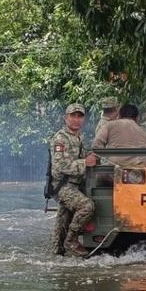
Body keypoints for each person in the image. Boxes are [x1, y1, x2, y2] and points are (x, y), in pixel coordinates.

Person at [49, 103, 98, 257]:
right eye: (73, 116)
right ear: (66, 118)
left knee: (62, 223)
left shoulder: (80, 137)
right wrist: (85, 163)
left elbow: (89, 155)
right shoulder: (60, 138)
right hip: (63, 186)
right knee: (87, 206)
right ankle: (72, 240)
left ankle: (57, 255)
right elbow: (61, 165)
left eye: (80, 116)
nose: (76, 120)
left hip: (75, 185)